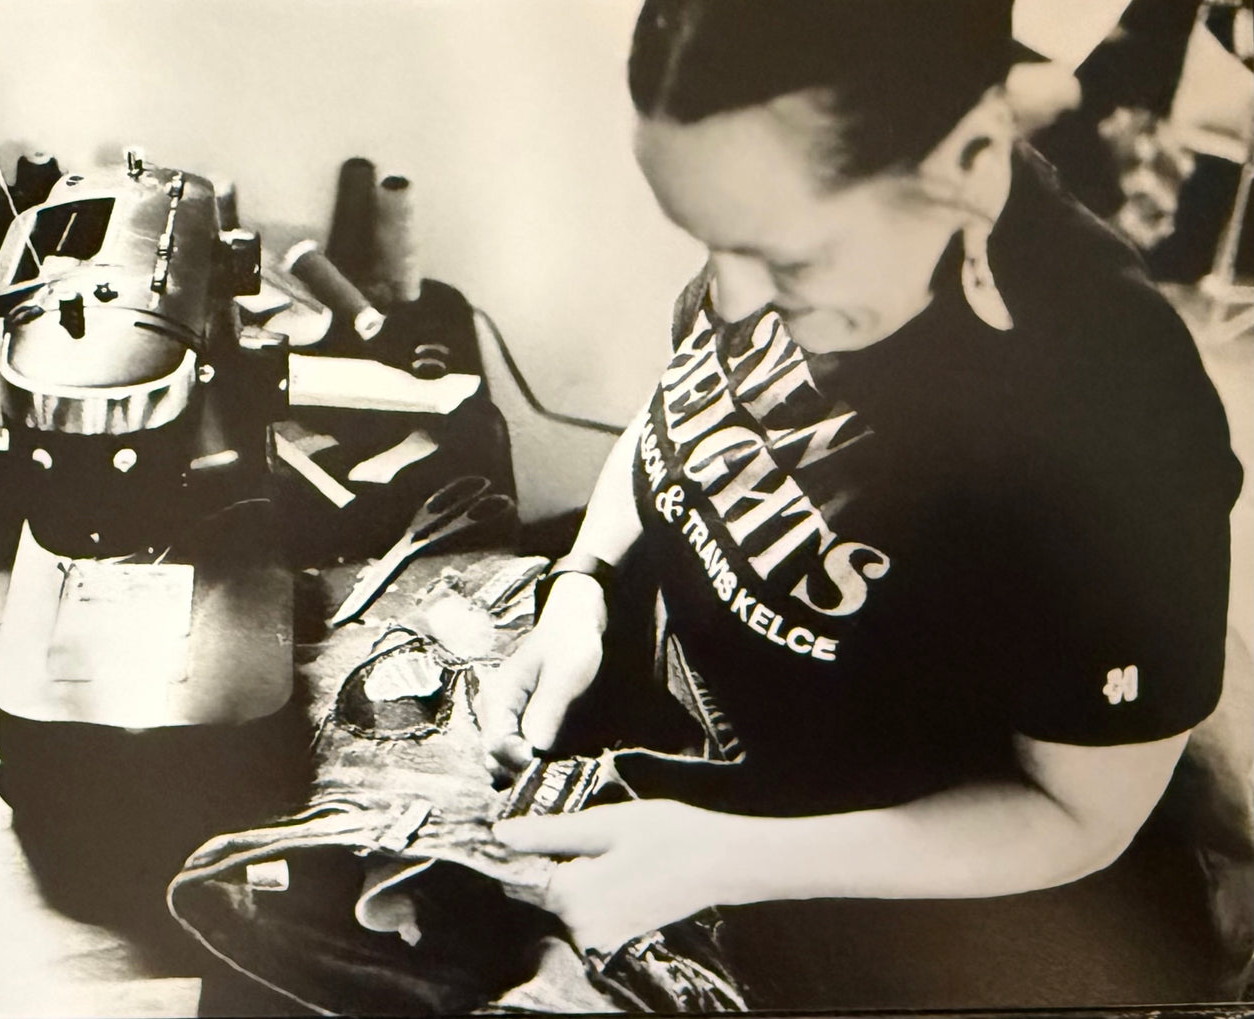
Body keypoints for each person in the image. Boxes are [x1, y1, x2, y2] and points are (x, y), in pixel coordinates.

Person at [478, 0, 1244, 1005]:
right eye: (709, 236)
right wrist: (585, 583)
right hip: (716, 791)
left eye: (788, 262)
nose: (738, 296)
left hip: (934, 921)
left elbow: (1080, 819)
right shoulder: (806, 225)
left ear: (969, 156)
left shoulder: (1111, 423)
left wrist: (726, 856)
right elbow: (688, 405)